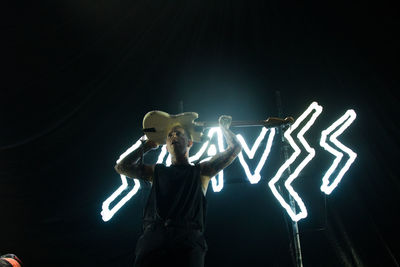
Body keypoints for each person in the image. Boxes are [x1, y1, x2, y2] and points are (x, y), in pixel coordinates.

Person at [114, 114, 242, 267]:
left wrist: (224, 128)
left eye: (178, 133)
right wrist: (146, 146)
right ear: (166, 145)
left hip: (187, 242)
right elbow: (121, 167)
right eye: (169, 135)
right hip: (154, 239)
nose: (173, 136)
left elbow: (234, 148)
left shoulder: (201, 171)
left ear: (189, 142)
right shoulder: (157, 172)